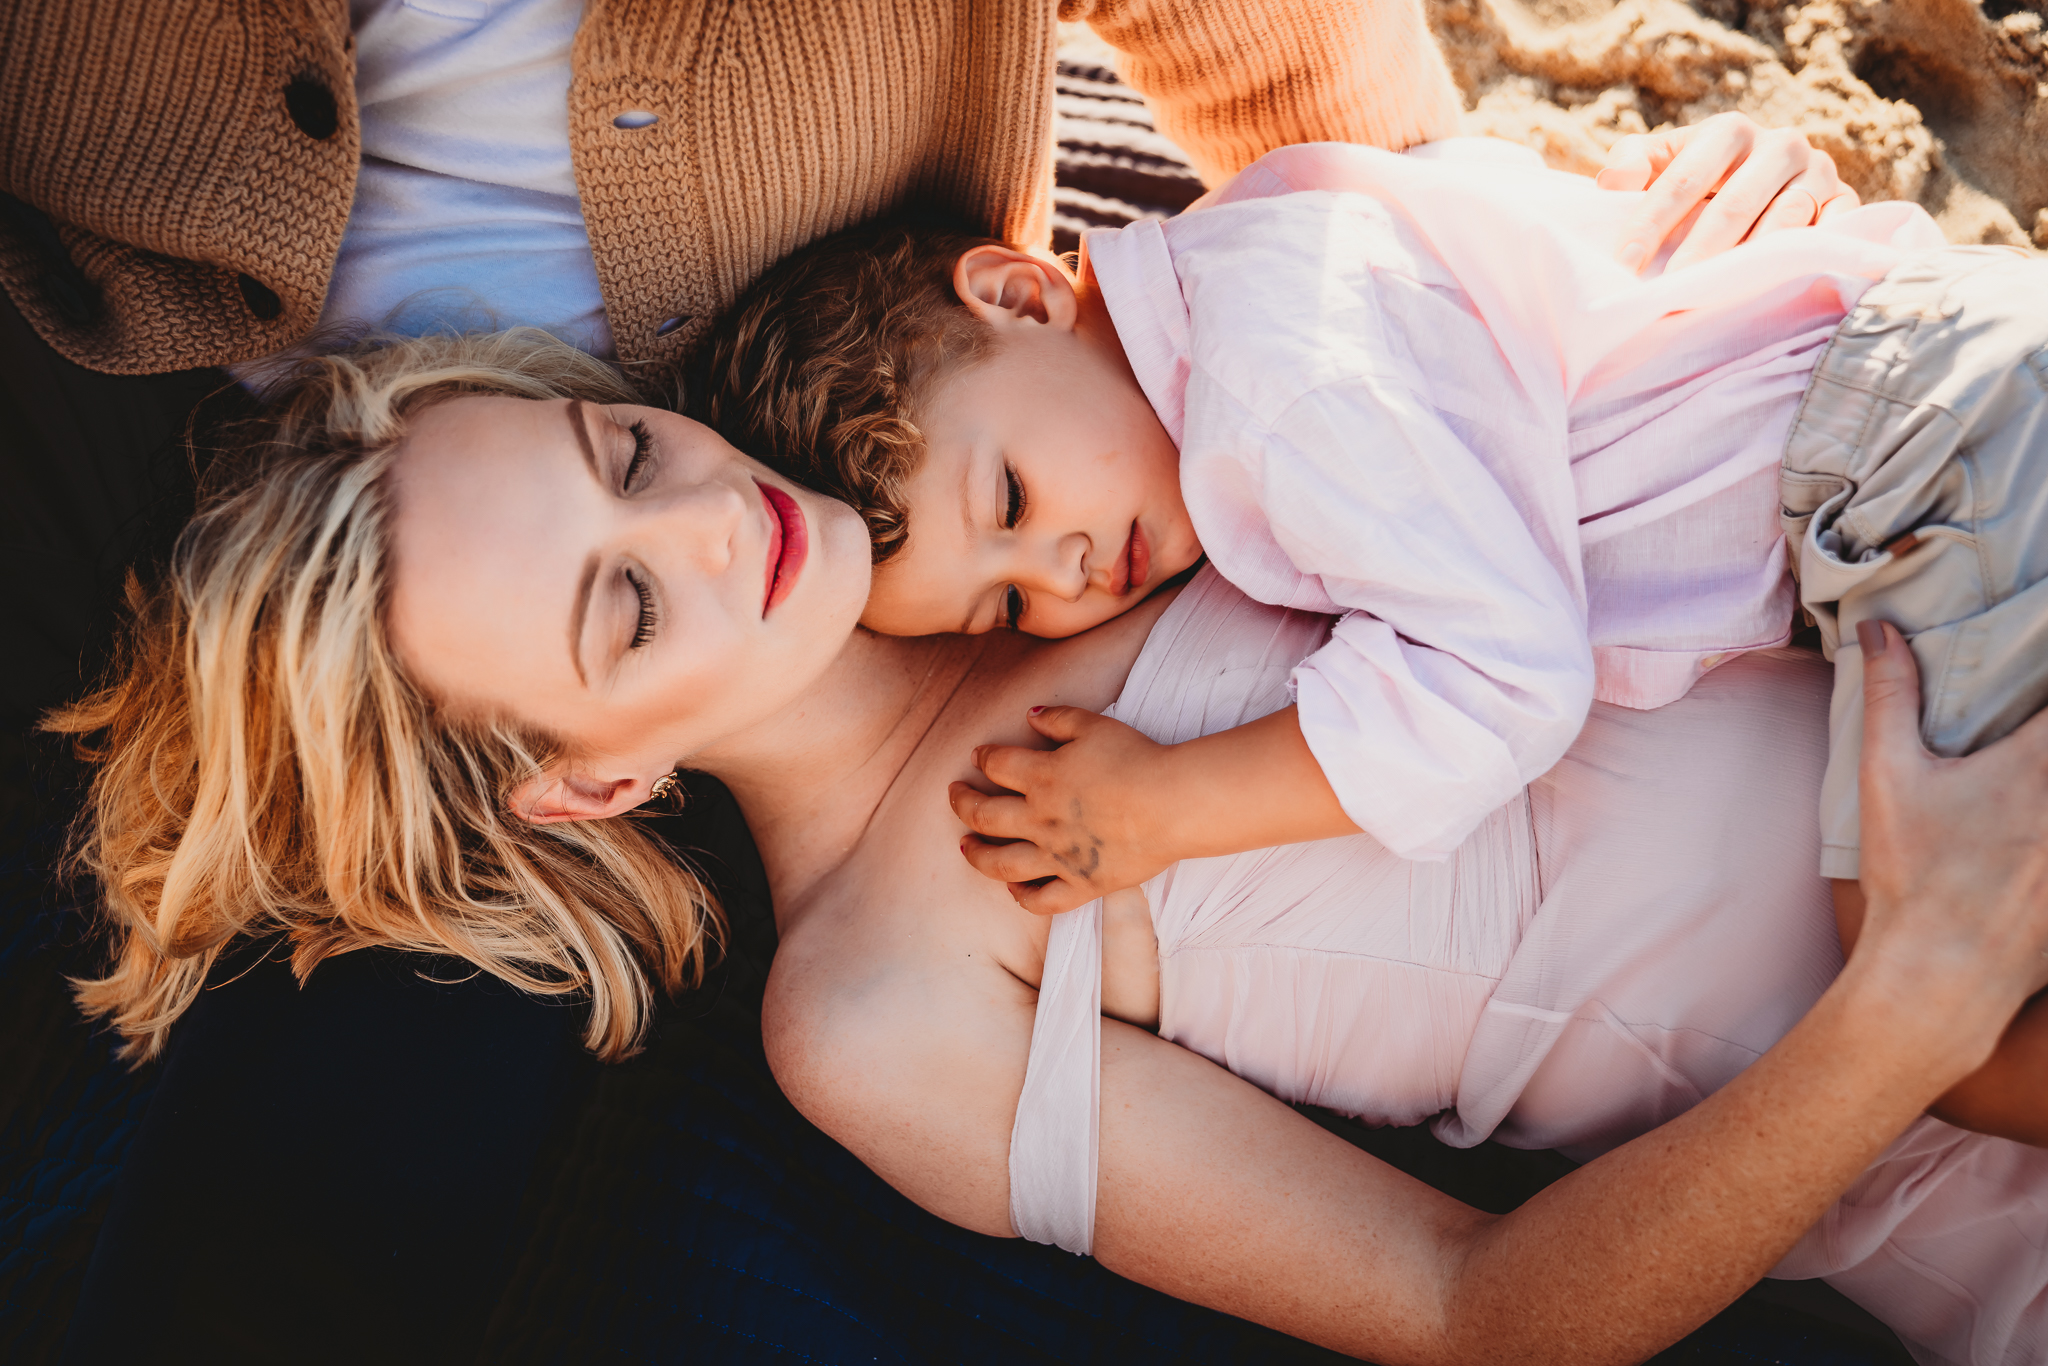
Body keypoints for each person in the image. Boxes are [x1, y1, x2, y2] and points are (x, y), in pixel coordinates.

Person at [48, 329, 2048, 1363]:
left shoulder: (1019, 466)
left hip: (1943, 629)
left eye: (627, 455)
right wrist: (1914, 1000)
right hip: (1941, 1105)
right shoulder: (876, 1004)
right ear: (581, 781)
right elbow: (1477, 1316)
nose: (707, 518)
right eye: (627, 612)